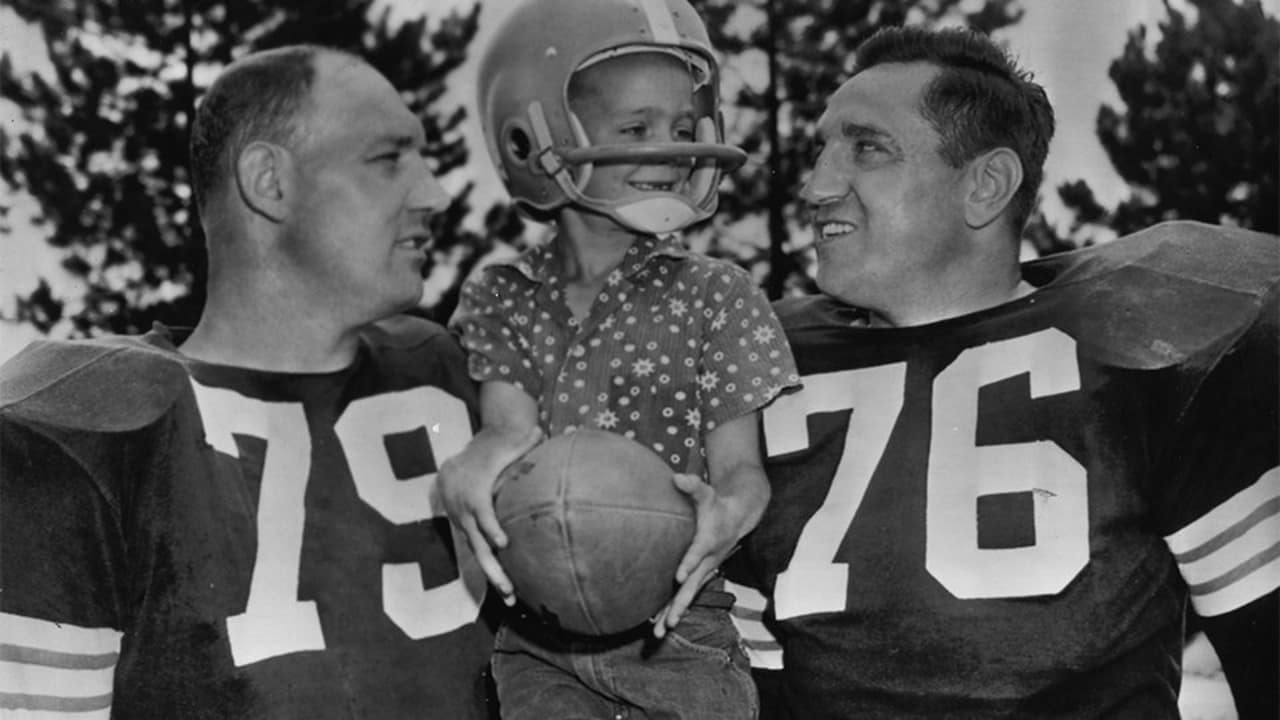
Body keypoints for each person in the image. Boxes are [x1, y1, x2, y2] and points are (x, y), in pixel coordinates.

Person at [728, 25, 1280, 720]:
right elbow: (733, 686)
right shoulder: (757, 364)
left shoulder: (1152, 338)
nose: (816, 185)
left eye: (867, 149)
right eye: (822, 150)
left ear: (985, 185)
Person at [0, 45, 509, 718]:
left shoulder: (457, 372)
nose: (433, 193)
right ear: (269, 181)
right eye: (387, 159)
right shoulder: (85, 419)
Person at [440, 0, 800, 717]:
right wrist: (471, 467)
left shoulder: (717, 294)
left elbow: (741, 474)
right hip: (536, 630)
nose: (668, 150)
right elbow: (507, 433)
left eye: (681, 127)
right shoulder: (502, 295)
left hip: (677, 624)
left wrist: (727, 513)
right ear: (533, 136)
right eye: (636, 128)